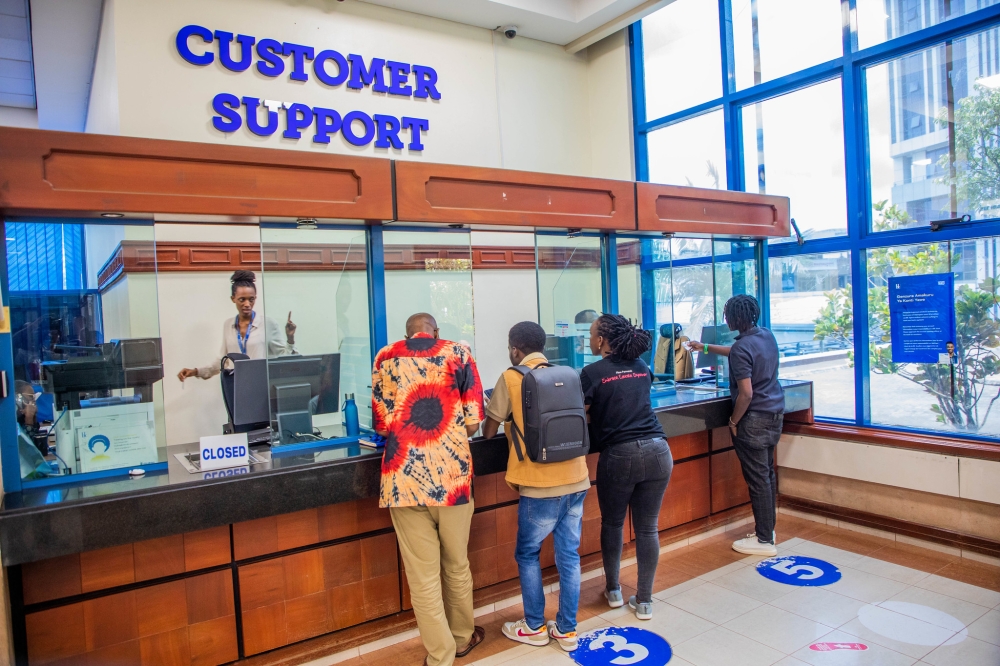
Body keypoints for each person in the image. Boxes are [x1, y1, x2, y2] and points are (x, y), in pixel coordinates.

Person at [371, 313, 486, 666]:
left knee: (422, 577)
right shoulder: (460, 352)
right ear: (436, 332)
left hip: (402, 480)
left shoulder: (384, 357)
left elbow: (382, 422)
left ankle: (440, 656)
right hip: (452, 479)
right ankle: (463, 638)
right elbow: (473, 421)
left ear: (406, 335)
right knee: (456, 564)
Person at [481, 321, 589, 652]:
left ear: (515, 348)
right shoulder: (568, 374)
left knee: (528, 553)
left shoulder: (512, 377)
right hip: (576, 478)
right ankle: (567, 631)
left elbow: (488, 430)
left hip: (538, 483)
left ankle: (534, 626)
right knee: (568, 554)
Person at [582, 314, 673, 621]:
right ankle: (644, 601)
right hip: (659, 450)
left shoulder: (592, 373)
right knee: (648, 528)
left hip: (619, 455)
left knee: (613, 524)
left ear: (600, 340)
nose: (590, 338)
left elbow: (582, 416)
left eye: (592, 333)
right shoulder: (641, 367)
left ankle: (613, 591)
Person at [685, 294, 784, 556]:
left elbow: (746, 393)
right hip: (774, 414)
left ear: (736, 318)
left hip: (753, 419)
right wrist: (704, 347)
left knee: (758, 479)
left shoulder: (743, 347)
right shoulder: (765, 335)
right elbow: (738, 352)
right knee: (767, 475)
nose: (725, 319)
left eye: (727, 315)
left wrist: (733, 420)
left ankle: (764, 541)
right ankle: (768, 530)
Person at [177, 270, 297, 382]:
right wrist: (196, 371)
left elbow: (284, 358)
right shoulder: (228, 325)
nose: (247, 304)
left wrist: (290, 338)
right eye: (242, 299)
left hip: (262, 384)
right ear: (233, 299)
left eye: (251, 299)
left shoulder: (268, 324)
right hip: (236, 384)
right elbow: (223, 361)